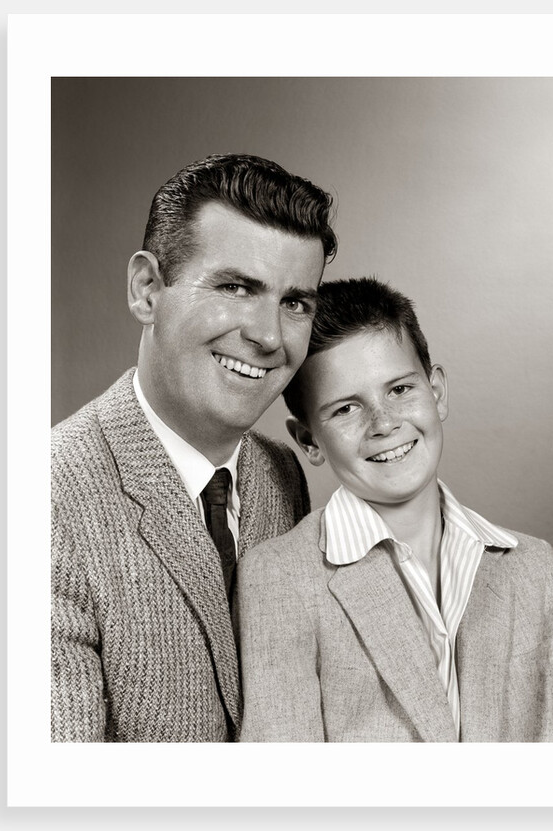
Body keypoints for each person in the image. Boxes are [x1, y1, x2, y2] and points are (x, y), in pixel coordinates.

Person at [51, 153, 337, 742]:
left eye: (295, 303)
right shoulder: (44, 499)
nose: (268, 336)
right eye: (236, 287)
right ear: (147, 290)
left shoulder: (281, 476)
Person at [237, 277, 553, 742]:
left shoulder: (532, 567)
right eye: (345, 409)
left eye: (400, 390)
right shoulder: (280, 578)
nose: (384, 423)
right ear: (308, 440)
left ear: (437, 392)